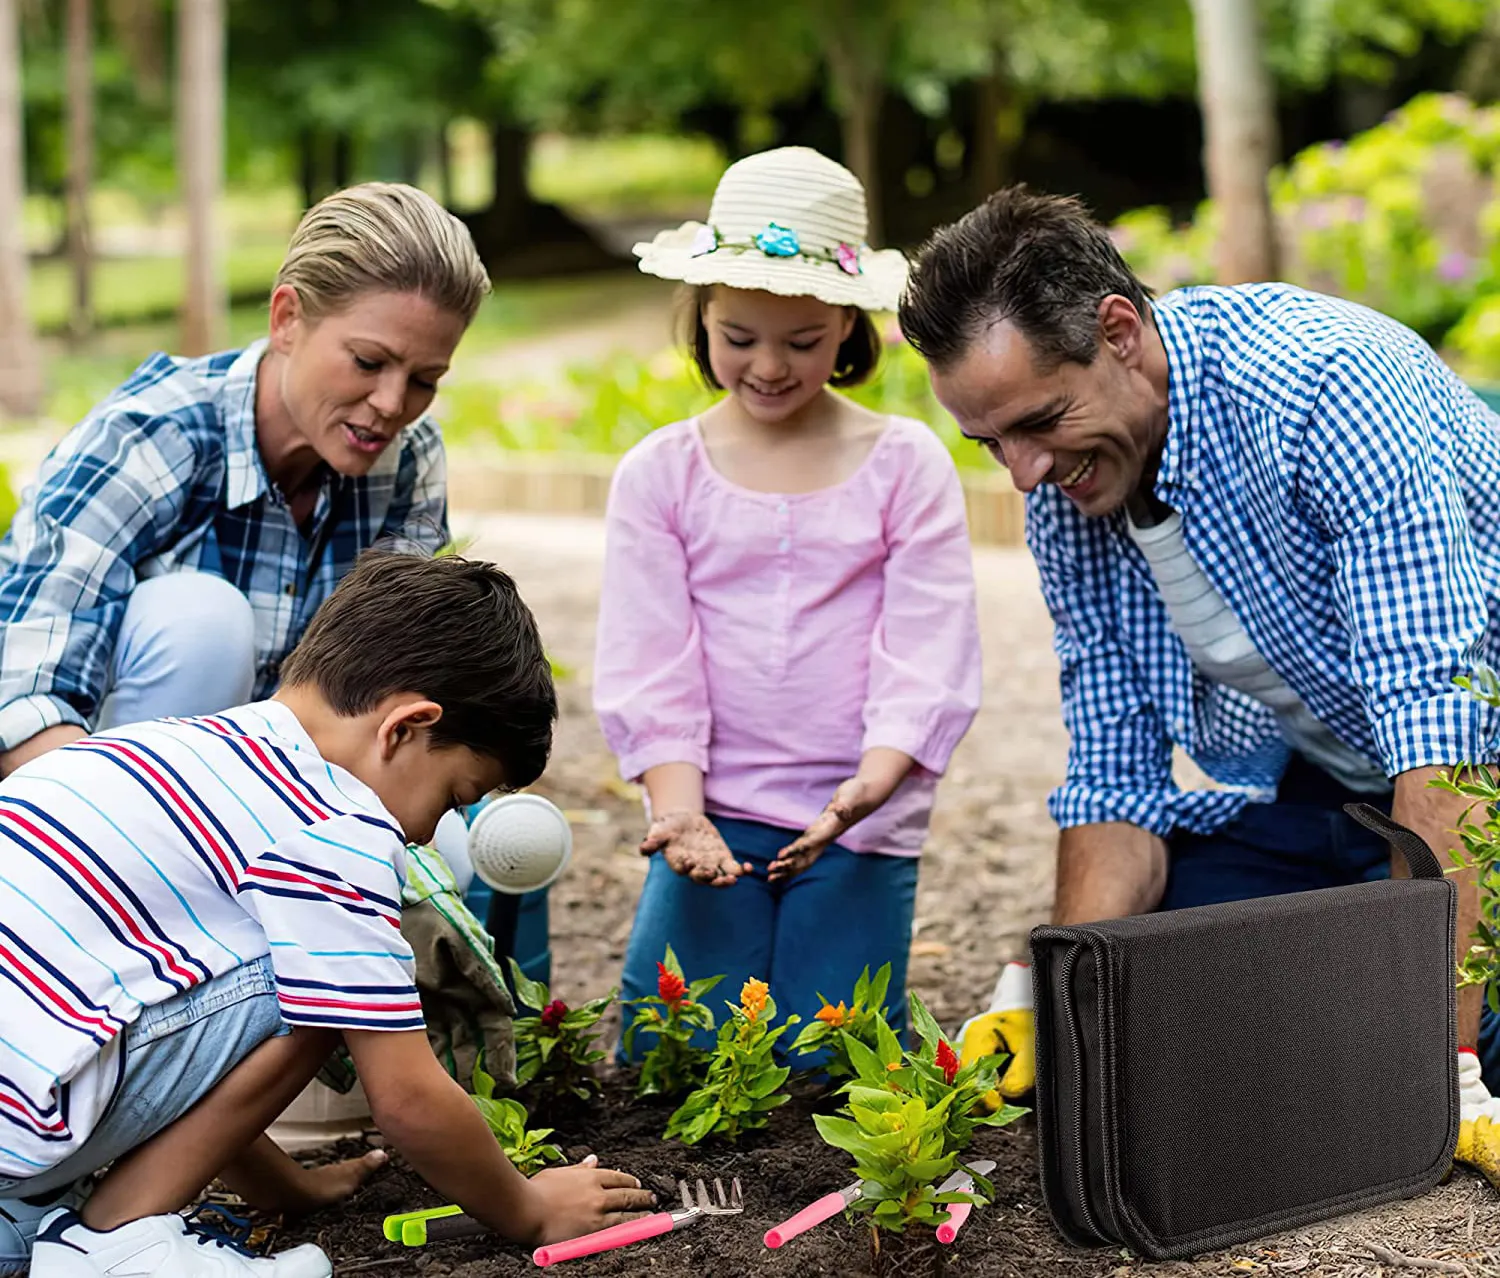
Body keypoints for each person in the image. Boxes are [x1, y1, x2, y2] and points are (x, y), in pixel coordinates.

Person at [896, 185, 1500, 1185]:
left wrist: (1438, 1064)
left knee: (1434, 1036)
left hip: (1471, 768)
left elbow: (1449, 745)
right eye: (989, 442)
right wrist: (1068, 1015)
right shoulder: (1071, 487)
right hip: (1340, 784)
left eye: (1039, 421)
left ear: (1121, 332)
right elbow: (1114, 777)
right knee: (1150, 977)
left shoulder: (1325, 392)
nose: (1024, 474)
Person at [0, 551, 656, 1277]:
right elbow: (405, 1096)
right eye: (452, 797)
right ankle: (112, 1245)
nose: (428, 834)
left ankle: (61, 1222)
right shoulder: (334, 828)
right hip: (17, 1141)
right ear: (406, 727)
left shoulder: (167, 748)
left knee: (296, 962)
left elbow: (180, 1023)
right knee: (329, 990)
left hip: (18, 1130)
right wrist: (528, 1208)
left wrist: (293, 1189)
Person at [594, 147, 982, 1049]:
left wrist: (860, 797)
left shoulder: (905, 465)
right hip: (711, 813)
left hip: (857, 815)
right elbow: (651, 658)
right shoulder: (662, 473)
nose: (768, 366)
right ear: (701, 318)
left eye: (802, 342)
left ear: (849, 328)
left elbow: (928, 651)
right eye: (739, 338)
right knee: (675, 1048)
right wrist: (679, 809)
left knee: (831, 1053)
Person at [0, 181, 485, 779]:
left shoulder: (409, 460)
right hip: (99, 789)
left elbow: (389, 692)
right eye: (368, 361)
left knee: (468, 852)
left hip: (278, 787)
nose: (392, 403)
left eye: (424, 380)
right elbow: (22, 695)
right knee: (203, 620)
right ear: (287, 319)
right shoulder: (152, 437)